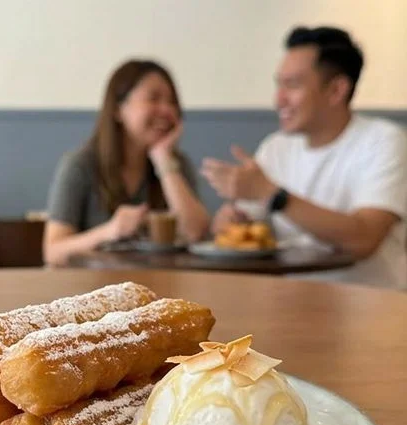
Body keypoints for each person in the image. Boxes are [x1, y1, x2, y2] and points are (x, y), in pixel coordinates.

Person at [202, 27, 407, 289]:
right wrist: (231, 220)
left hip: (371, 306)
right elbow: (236, 223)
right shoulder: (277, 147)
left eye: (292, 85)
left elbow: (364, 238)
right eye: (279, 84)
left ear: (336, 90)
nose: (279, 100)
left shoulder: (383, 141)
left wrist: (272, 195)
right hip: (289, 301)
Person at [43, 60, 209, 265]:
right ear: (118, 109)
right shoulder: (80, 164)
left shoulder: (177, 165)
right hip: (91, 290)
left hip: (159, 288)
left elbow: (195, 234)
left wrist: (163, 160)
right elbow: (53, 251)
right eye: (154, 99)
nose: (167, 110)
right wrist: (110, 231)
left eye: (172, 102)